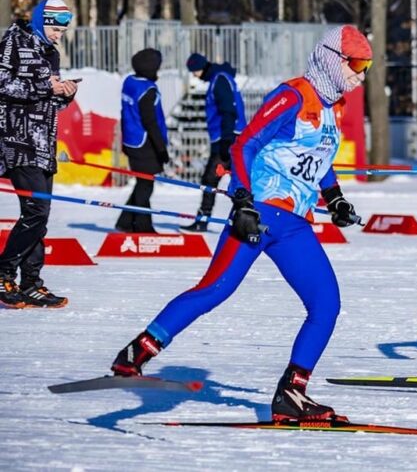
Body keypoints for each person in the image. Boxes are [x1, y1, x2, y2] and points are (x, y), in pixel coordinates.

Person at [108, 25, 370, 423]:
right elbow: (243, 143)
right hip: (259, 212)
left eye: (366, 65)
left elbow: (319, 155)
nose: (361, 74)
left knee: (326, 304)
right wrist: (243, 199)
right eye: (355, 63)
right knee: (216, 289)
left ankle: (291, 394)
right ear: (332, 59)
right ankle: (138, 351)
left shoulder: (335, 105)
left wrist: (333, 197)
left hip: (294, 223)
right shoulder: (293, 94)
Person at [0, 0, 78, 309]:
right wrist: (47, 89)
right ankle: (4, 272)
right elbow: (3, 83)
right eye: (55, 26)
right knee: (35, 211)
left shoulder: (51, 52)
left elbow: (50, 98)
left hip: (44, 142)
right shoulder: (14, 41)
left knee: (40, 216)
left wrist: (65, 94)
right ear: (40, 20)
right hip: (17, 141)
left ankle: (31, 282)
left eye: (63, 28)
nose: (59, 33)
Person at [179, 53, 247, 233]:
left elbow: (228, 111)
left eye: (195, 71)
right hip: (227, 138)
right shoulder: (219, 79)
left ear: (202, 67)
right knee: (236, 182)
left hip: (228, 139)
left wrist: (226, 139)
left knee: (210, 180)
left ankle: (204, 220)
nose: (194, 75)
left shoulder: (219, 80)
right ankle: (245, 218)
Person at [115, 48, 170, 233]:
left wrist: (123, 141)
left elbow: (124, 113)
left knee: (142, 183)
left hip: (131, 140)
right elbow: (151, 123)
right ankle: (143, 226)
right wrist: (161, 149)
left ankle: (125, 221)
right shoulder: (148, 90)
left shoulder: (129, 82)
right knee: (145, 185)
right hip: (145, 143)